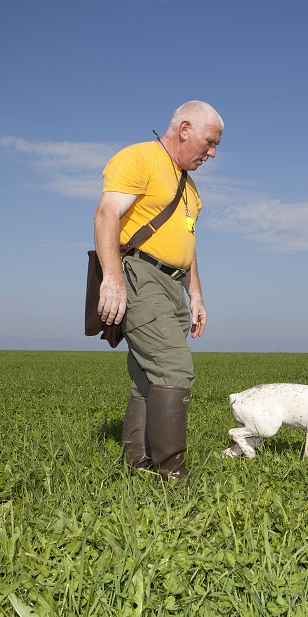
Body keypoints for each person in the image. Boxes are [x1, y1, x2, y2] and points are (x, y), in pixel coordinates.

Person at [93, 100, 223, 482]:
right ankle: (173, 476)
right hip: (141, 274)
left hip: (172, 284)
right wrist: (112, 279)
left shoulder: (190, 188)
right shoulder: (140, 159)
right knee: (174, 368)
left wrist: (195, 296)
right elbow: (106, 215)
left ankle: (138, 466)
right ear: (185, 129)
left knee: (147, 377)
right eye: (210, 142)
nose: (212, 153)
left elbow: (187, 245)